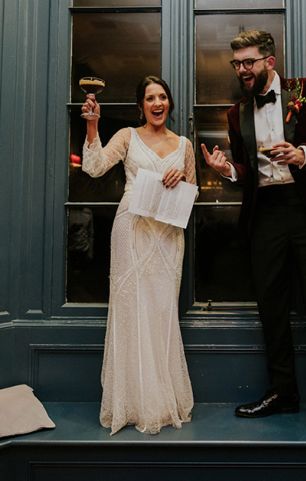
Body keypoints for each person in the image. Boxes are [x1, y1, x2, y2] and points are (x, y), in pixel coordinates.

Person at [200, 30, 306, 445]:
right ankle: (284, 392)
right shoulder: (237, 114)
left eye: (248, 62)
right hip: (265, 214)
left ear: (269, 60)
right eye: (236, 64)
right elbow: (249, 174)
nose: (242, 70)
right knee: (271, 308)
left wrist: (304, 154)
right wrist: (227, 170)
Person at [81, 76, 196, 435]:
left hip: (167, 234)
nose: (157, 103)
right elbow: (94, 166)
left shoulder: (185, 145)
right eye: (150, 98)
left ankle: (162, 401)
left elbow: (195, 195)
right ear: (141, 105)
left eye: (163, 97)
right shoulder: (128, 136)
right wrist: (92, 124)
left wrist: (182, 179)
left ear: (169, 103)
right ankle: (130, 403)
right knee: (131, 312)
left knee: (162, 313)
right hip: (131, 229)